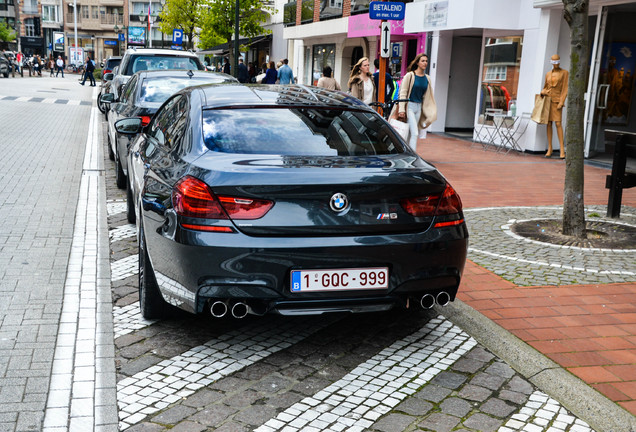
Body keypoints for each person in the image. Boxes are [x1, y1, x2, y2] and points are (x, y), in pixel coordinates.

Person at [396, 53, 437, 151]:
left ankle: (405, 152)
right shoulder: (410, 75)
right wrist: (401, 110)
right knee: (415, 133)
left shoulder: (427, 78)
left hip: (419, 107)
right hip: (409, 106)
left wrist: (428, 110)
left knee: (411, 133)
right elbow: (403, 93)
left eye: (426, 61)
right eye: (422, 61)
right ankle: (413, 157)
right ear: (417, 62)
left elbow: (427, 96)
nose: (425, 63)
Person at [540, 54, 568, 159]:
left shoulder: (564, 73)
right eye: (553, 62)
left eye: (557, 62)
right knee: (548, 124)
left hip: (556, 101)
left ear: (559, 62)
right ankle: (550, 148)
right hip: (548, 100)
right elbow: (545, 87)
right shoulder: (548, 74)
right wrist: (543, 92)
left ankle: (561, 149)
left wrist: (561, 101)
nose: (555, 64)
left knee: (558, 123)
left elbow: (565, 88)